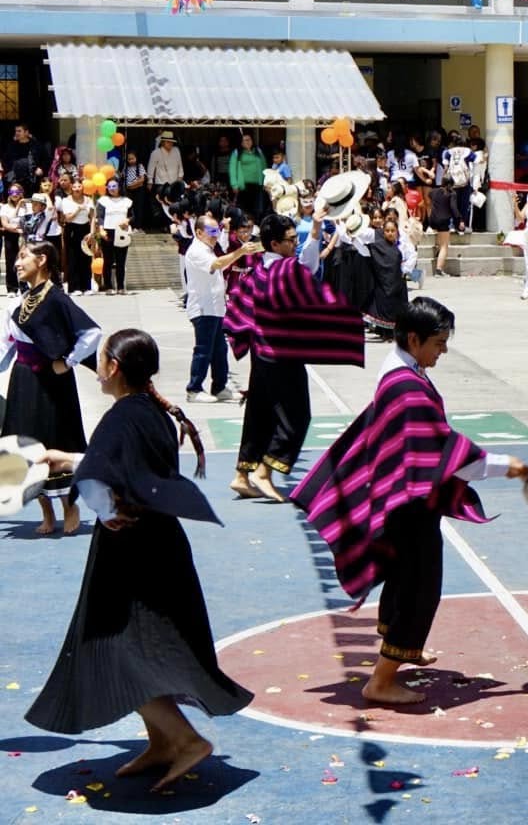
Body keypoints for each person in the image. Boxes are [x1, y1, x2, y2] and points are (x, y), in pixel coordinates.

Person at [25, 328, 249, 789]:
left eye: (102, 359)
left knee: (113, 652)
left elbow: (102, 475)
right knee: (149, 647)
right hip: (160, 543)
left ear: (113, 369)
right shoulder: (149, 412)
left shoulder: (122, 417)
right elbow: (121, 463)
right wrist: (66, 457)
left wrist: (105, 512)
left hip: (129, 551)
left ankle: (185, 740)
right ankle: (163, 743)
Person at [291, 297, 528, 705]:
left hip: (401, 498)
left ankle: (401, 646)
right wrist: (503, 465)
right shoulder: (406, 388)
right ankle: (383, 680)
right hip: (408, 504)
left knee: (403, 578)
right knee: (419, 587)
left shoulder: (401, 369)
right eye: (439, 342)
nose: (443, 350)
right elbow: (445, 451)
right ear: (413, 337)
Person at [224, 210, 363, 502]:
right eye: (289, 240)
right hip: (281, 356)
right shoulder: (285, 271)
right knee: (297, 416)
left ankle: (241, 474)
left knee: (259, 413)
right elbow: (308, 267)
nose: (293, 245)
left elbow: (241, 306)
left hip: (261, 354)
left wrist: (313, 228)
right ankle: (264, 471)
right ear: (274, 244)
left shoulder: (258, 270)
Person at [2, 240, 102, 535]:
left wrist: (69, 361)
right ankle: (46, 510)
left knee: (57, 438)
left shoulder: (56, 299)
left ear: (42, 260)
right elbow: (7, 345)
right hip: (23, 379)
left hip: (53, 382)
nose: (16, 263)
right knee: (25, 441)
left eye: (22, 257)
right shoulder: (15, 305)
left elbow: (92, 332)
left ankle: (70, 507)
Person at [185, 214, 257, 404]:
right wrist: (240, 252)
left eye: (217, 231)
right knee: (204, 350)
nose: (215, 235)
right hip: (203, 308)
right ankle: (194, 388)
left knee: (219, 349)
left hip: (215, 308)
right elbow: (217, 264)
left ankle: (219, 387)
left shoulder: (208, 248)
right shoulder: (196, 250)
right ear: (199, 232)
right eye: (211, 231)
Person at [56, 177, 94, 295]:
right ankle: (74, 287)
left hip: (85, 229)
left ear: (83, 188)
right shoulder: (66, 200)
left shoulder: (88, 200)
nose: (77, 189)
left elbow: (92, 217)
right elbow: (67, 218)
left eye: (79, 186)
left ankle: (86, 287)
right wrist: (78, 209)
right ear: (71, 188)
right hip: (72, 229)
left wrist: (91, 232)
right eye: (75, 187)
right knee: (73, 258)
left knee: (86, 258)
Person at [96, 178, 134, 294]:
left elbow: (132, 216)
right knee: (108, 261)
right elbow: (100, 216)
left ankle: (121, 287)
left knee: (121, 261)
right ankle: (108, 286)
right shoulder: (103, 200)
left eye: (114, 186)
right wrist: (101, 230)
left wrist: (127, 221)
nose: (112, 189)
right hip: (108, 231)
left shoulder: (127, 201)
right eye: (110, 186)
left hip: (122, 232)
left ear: (119, 187)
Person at [228, 133, 268, 216]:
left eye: (249, 140)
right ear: (241, 142)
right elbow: (232, 169)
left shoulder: (258, 151)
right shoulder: (237, 152)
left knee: (257, 209)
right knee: (245, 210)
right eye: (244, 140)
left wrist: (266, 181)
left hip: (258, 185)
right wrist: (234, 185)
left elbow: (264, 166)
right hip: (243, 186)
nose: (247, 142)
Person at [149, 131, 184, 210]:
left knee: (174, 206)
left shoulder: (176, 151)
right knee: (160, 208)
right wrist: (150, 181)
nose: (170, 144)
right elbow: (151, 168)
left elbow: (180, 166)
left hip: (174, 185)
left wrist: (180, 177)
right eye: (168, 142)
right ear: (163, 142)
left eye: (171, 142)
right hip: (161, 184)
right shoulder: (155, 153)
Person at [0, 184, 25, 294]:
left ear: (21, 193)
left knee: (25, 262)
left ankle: (24, 286)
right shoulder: (5, 207)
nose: (15, 194)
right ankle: (12, 288)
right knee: (11, 262)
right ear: (9, 194)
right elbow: (5, 224)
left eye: (17, 192)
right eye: (12, 192)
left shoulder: (27, 206)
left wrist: (22, 230)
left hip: (24, 235)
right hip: (11, 236)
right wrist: (16, 229)